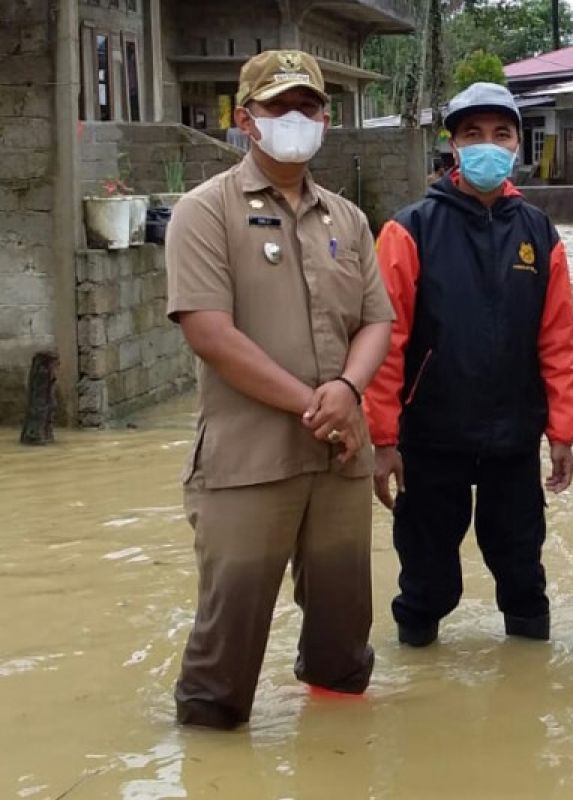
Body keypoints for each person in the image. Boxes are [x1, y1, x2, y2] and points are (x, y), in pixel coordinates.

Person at [166, 50, 394, 729]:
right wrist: (309, 401)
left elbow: (378, 320)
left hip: (339, 457)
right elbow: (209, 332)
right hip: (247, 463)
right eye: (278, 107)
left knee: (343, 645)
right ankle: (210, 761)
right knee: (223, 661)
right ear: (245, 120)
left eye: (309, 107)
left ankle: (335, 755)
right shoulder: (205, 212)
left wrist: (349, 389)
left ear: (326, 119)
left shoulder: (347, 220)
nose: (296, 119)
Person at [365, 82, 573, 647]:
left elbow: (557, 341)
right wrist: (381, 437)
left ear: (517, 146)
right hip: (430, 438)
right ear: (453, 147)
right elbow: (385, 341)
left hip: (513, 439)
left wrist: (562, 431)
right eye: (473, 134)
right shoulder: (408, 230)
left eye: (501, 134)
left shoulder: (540, 233)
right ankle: (417, 687)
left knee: (523, 575)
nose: (488, 144)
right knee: (427, 581)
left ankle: (531, 691)